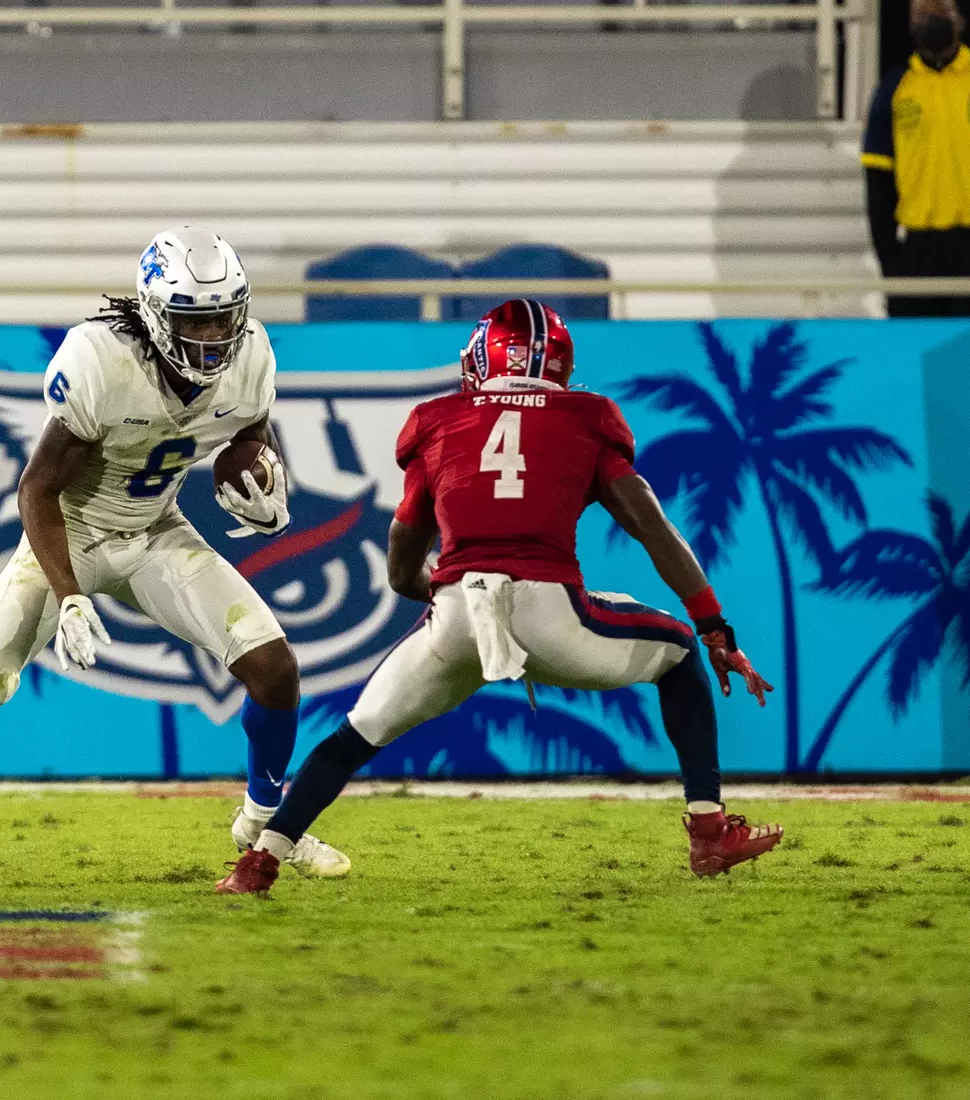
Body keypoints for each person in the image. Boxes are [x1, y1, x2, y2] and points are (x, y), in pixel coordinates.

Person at [0, 227, 350, 881]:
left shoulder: (251, 356)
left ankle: (264, 824)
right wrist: (68, 595)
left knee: (274, 668)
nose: (213, 337)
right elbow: (36, 489)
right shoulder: (102, 360)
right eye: (195, 320)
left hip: (155, 532)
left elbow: (249, 432)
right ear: (155, 314)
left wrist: (258, 482)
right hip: (69, 534)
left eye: (223, 317)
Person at [217, 299, 784, 896]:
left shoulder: (438, 419)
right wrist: (714, 627)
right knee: (679, 650)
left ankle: (258, 864)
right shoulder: (588, 417)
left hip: (458, 610)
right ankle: (709, 832)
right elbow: (653, 530)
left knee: (352, 738)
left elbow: (402, 557)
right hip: (553, 614)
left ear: (483, 359)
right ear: (559, 365)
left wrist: (440, 593)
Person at [862, 0, 970, 317]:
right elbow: (878, 180)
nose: (930, 21)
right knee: (918, 347)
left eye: (939, 12)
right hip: (917, 252)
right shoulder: (894, 88)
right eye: (922, 15)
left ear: (960, 21)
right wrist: (890, 259)